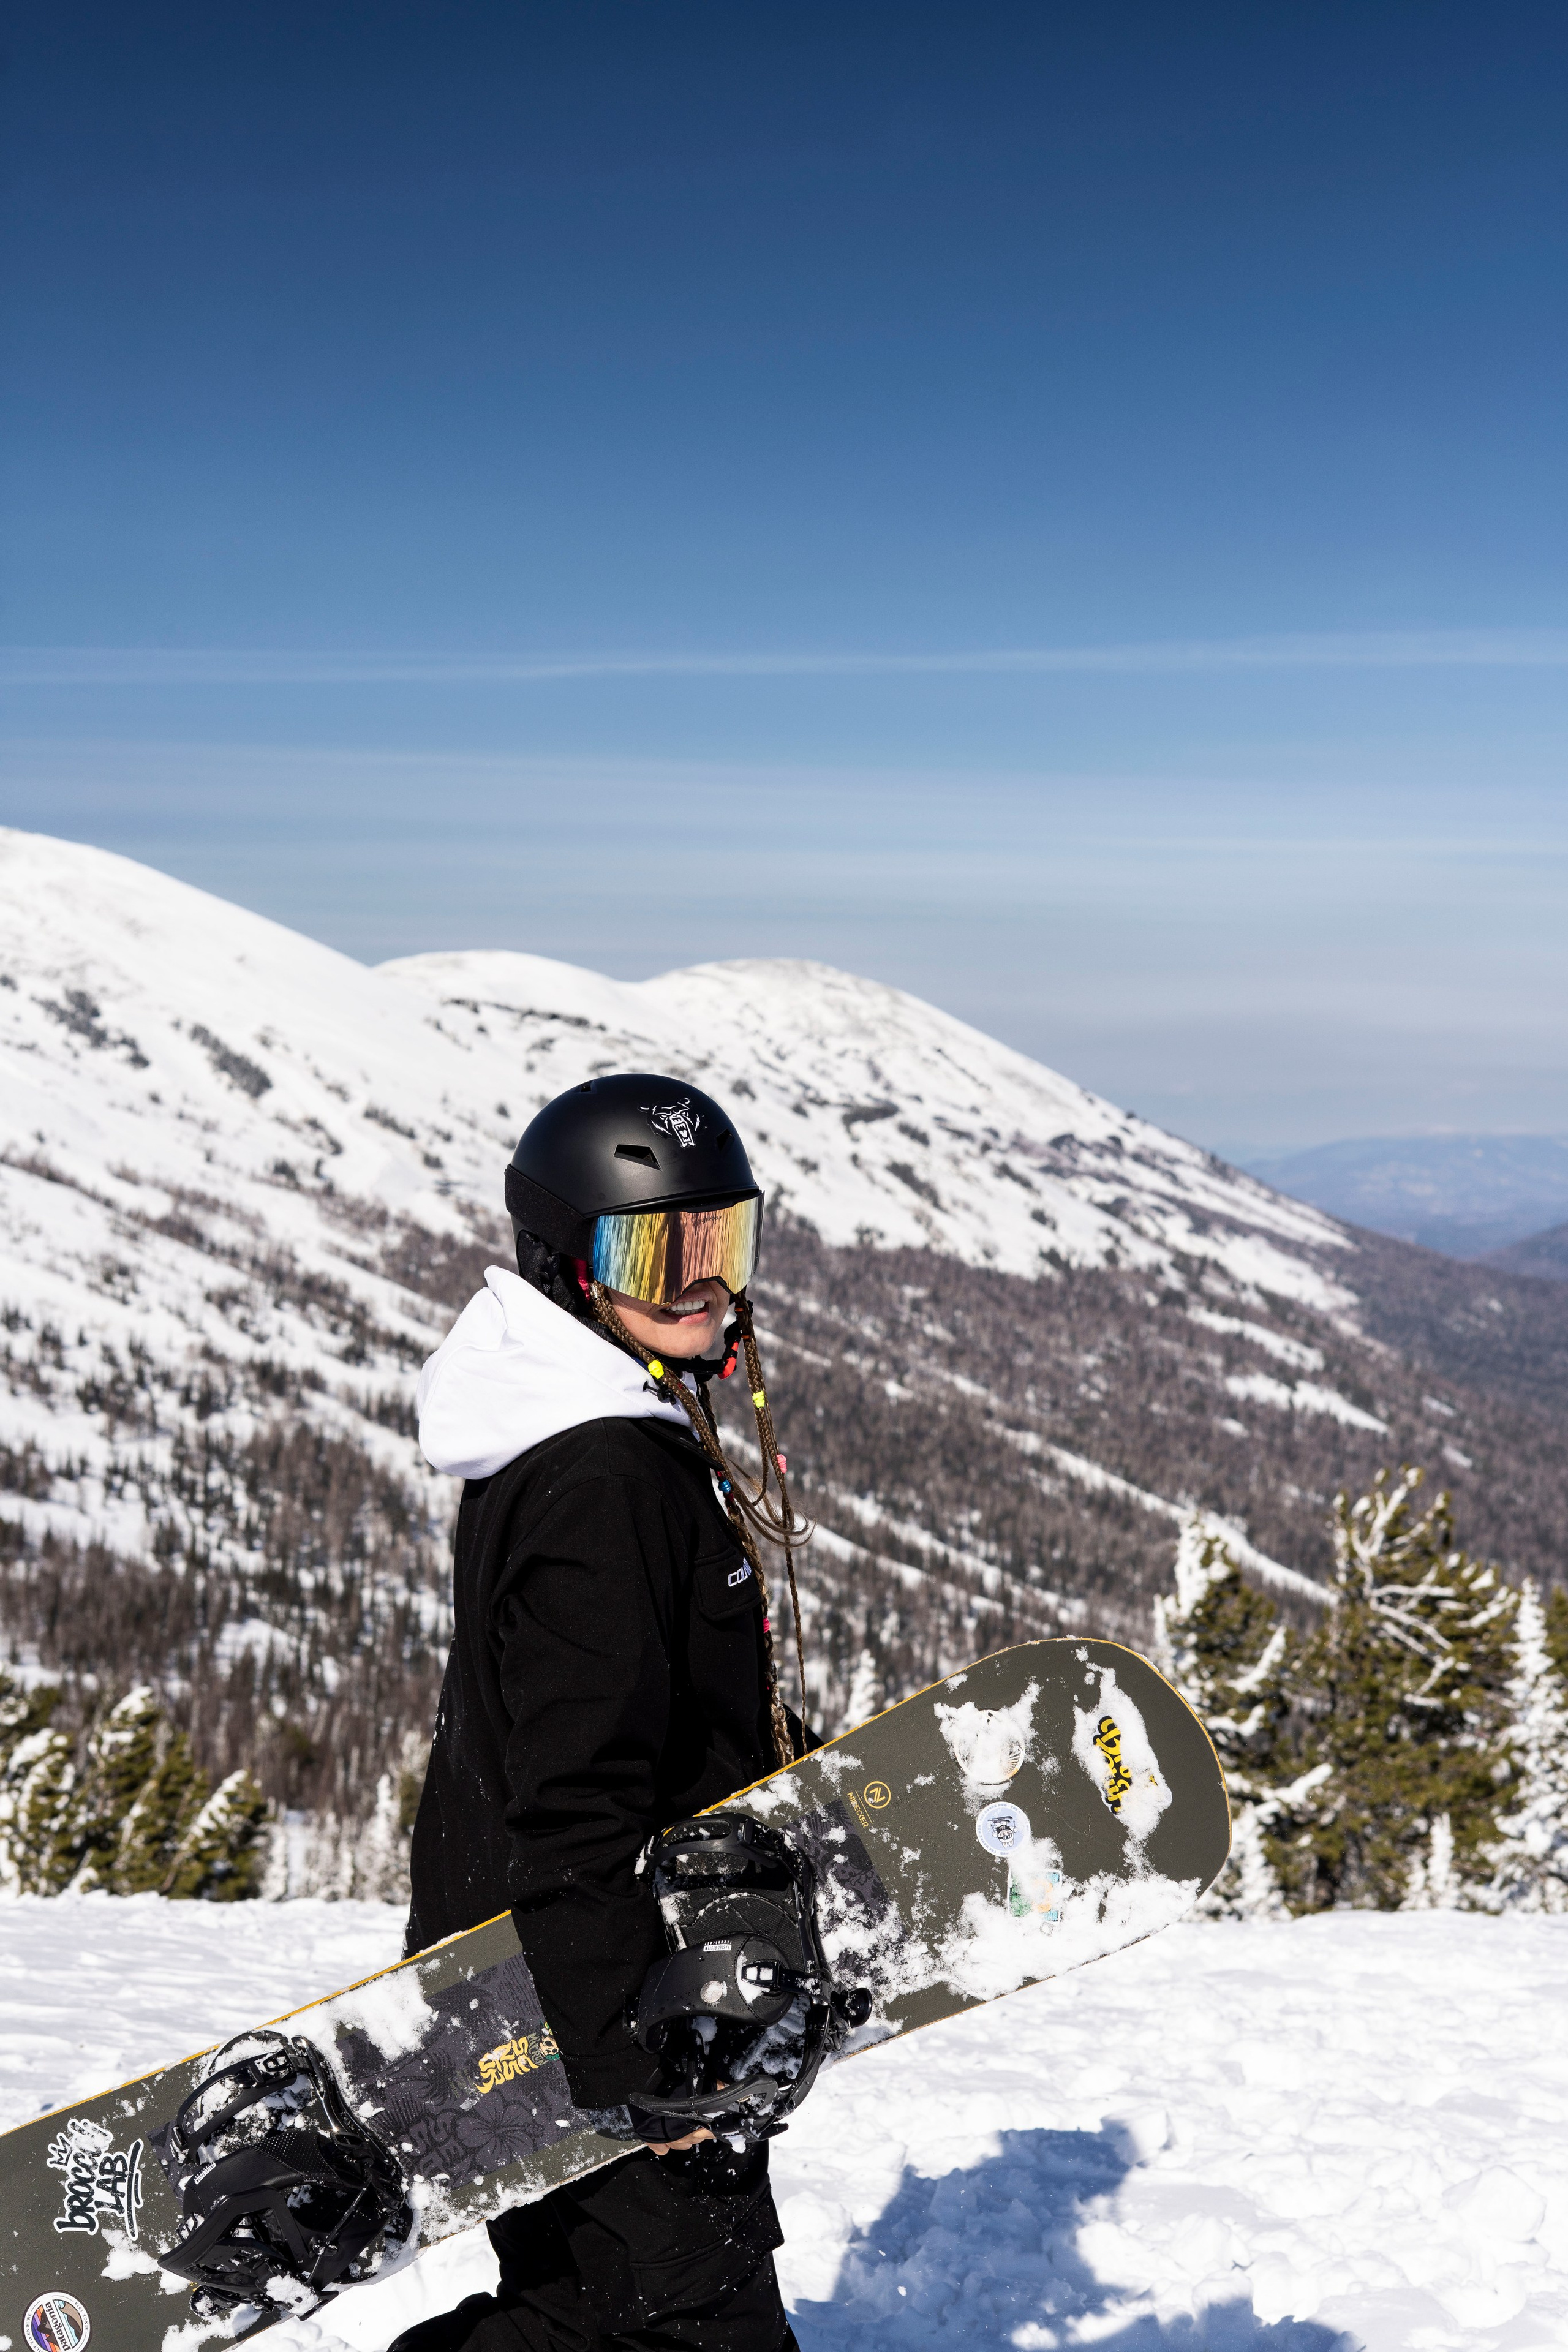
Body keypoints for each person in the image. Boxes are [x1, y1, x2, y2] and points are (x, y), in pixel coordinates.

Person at [390, 1072, 812, 2352]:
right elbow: (572, 1789)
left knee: (592, 2314)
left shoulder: (585, 1426)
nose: (699, 1282)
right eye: (653, 1246)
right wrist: (635, 2061)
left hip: (564, 1962)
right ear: (571, 1262)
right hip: (584, 1977)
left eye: (717, 1238)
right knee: (677, 2325)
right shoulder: (600, 1474)